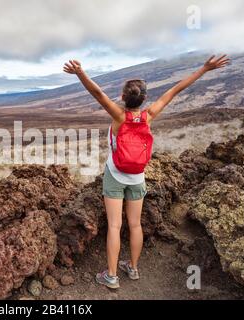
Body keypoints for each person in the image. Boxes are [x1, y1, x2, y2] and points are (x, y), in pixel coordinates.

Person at [63, 54, 229, 289]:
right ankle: (133, 267)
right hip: (138, 178)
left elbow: (98, 94)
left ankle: (111, 276)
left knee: (114, 226)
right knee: (135, 225)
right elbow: (176, 89)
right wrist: (204, 68)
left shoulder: (119, 116)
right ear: (144, 99)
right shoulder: (149, 115)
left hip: (115, 175)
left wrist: (80, 72)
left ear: (122, 97)